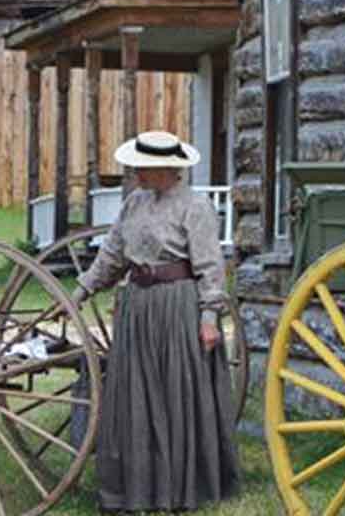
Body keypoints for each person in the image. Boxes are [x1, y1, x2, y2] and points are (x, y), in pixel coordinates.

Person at [73, 130, 240, 512]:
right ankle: (132, 489)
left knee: (173, 394)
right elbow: (112, 256)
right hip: (137, 307)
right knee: (134, 394)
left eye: (142, 168)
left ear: (164, 168)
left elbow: (211, 267)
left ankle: (179, 489)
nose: (135, 173)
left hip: (176, 307)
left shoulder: (194, 207)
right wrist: (80, 292)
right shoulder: (133, 204)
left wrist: (209, 316)